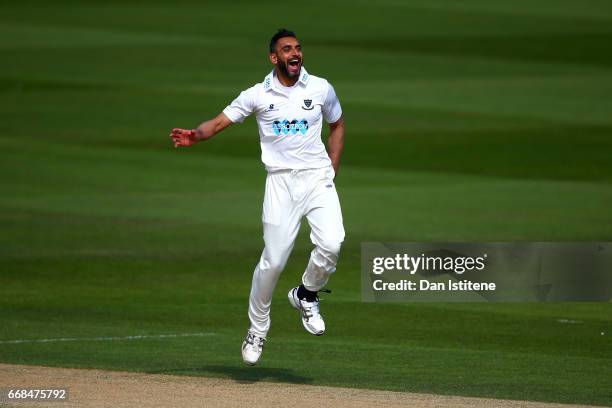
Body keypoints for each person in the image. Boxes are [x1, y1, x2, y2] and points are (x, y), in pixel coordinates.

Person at [170, 29, 345, 366]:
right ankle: (258, 328)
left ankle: (306, 293)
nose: (295, 54)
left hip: (317, 179)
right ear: (273, 58)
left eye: (298, 48)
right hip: (280, 184)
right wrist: (197, 135)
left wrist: (331, 170)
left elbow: (337, 124)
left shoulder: (320, 88)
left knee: (333, 242)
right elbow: (220, 122)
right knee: (274, 261)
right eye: (286, 50)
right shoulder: (257, 95)